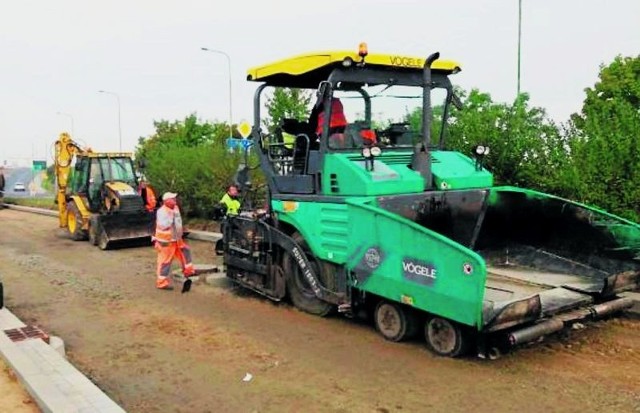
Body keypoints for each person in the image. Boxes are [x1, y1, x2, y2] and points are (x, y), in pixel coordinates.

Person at [154, 192, 195, 290]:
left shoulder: (175, 207)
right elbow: (163, 226)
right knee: (165, 262)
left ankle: (188, 271)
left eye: (175, 198)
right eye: (172, 199)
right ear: (166, 201)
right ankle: (161, 282)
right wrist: (170, 217)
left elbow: (178, 221)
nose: (175, 200)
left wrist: (181, 230)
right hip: (166, 241)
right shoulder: (162, 212)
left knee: (185, 251)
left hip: (176, 238)